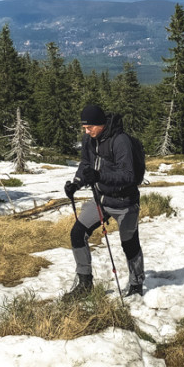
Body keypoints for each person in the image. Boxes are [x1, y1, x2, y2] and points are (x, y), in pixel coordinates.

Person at [63, 104, 144, 299]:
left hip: (125, 202)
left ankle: (136, 284)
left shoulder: (120, 141)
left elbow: (128, 175)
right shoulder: (89, 139)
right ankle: (84, 283)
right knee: (78, 232)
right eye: (84, 127)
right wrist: (76, 183)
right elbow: (86, 165)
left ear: (101, 124)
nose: (86, 130)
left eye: (89, 127)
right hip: (102, 199)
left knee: (129, 244)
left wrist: (99, 175)